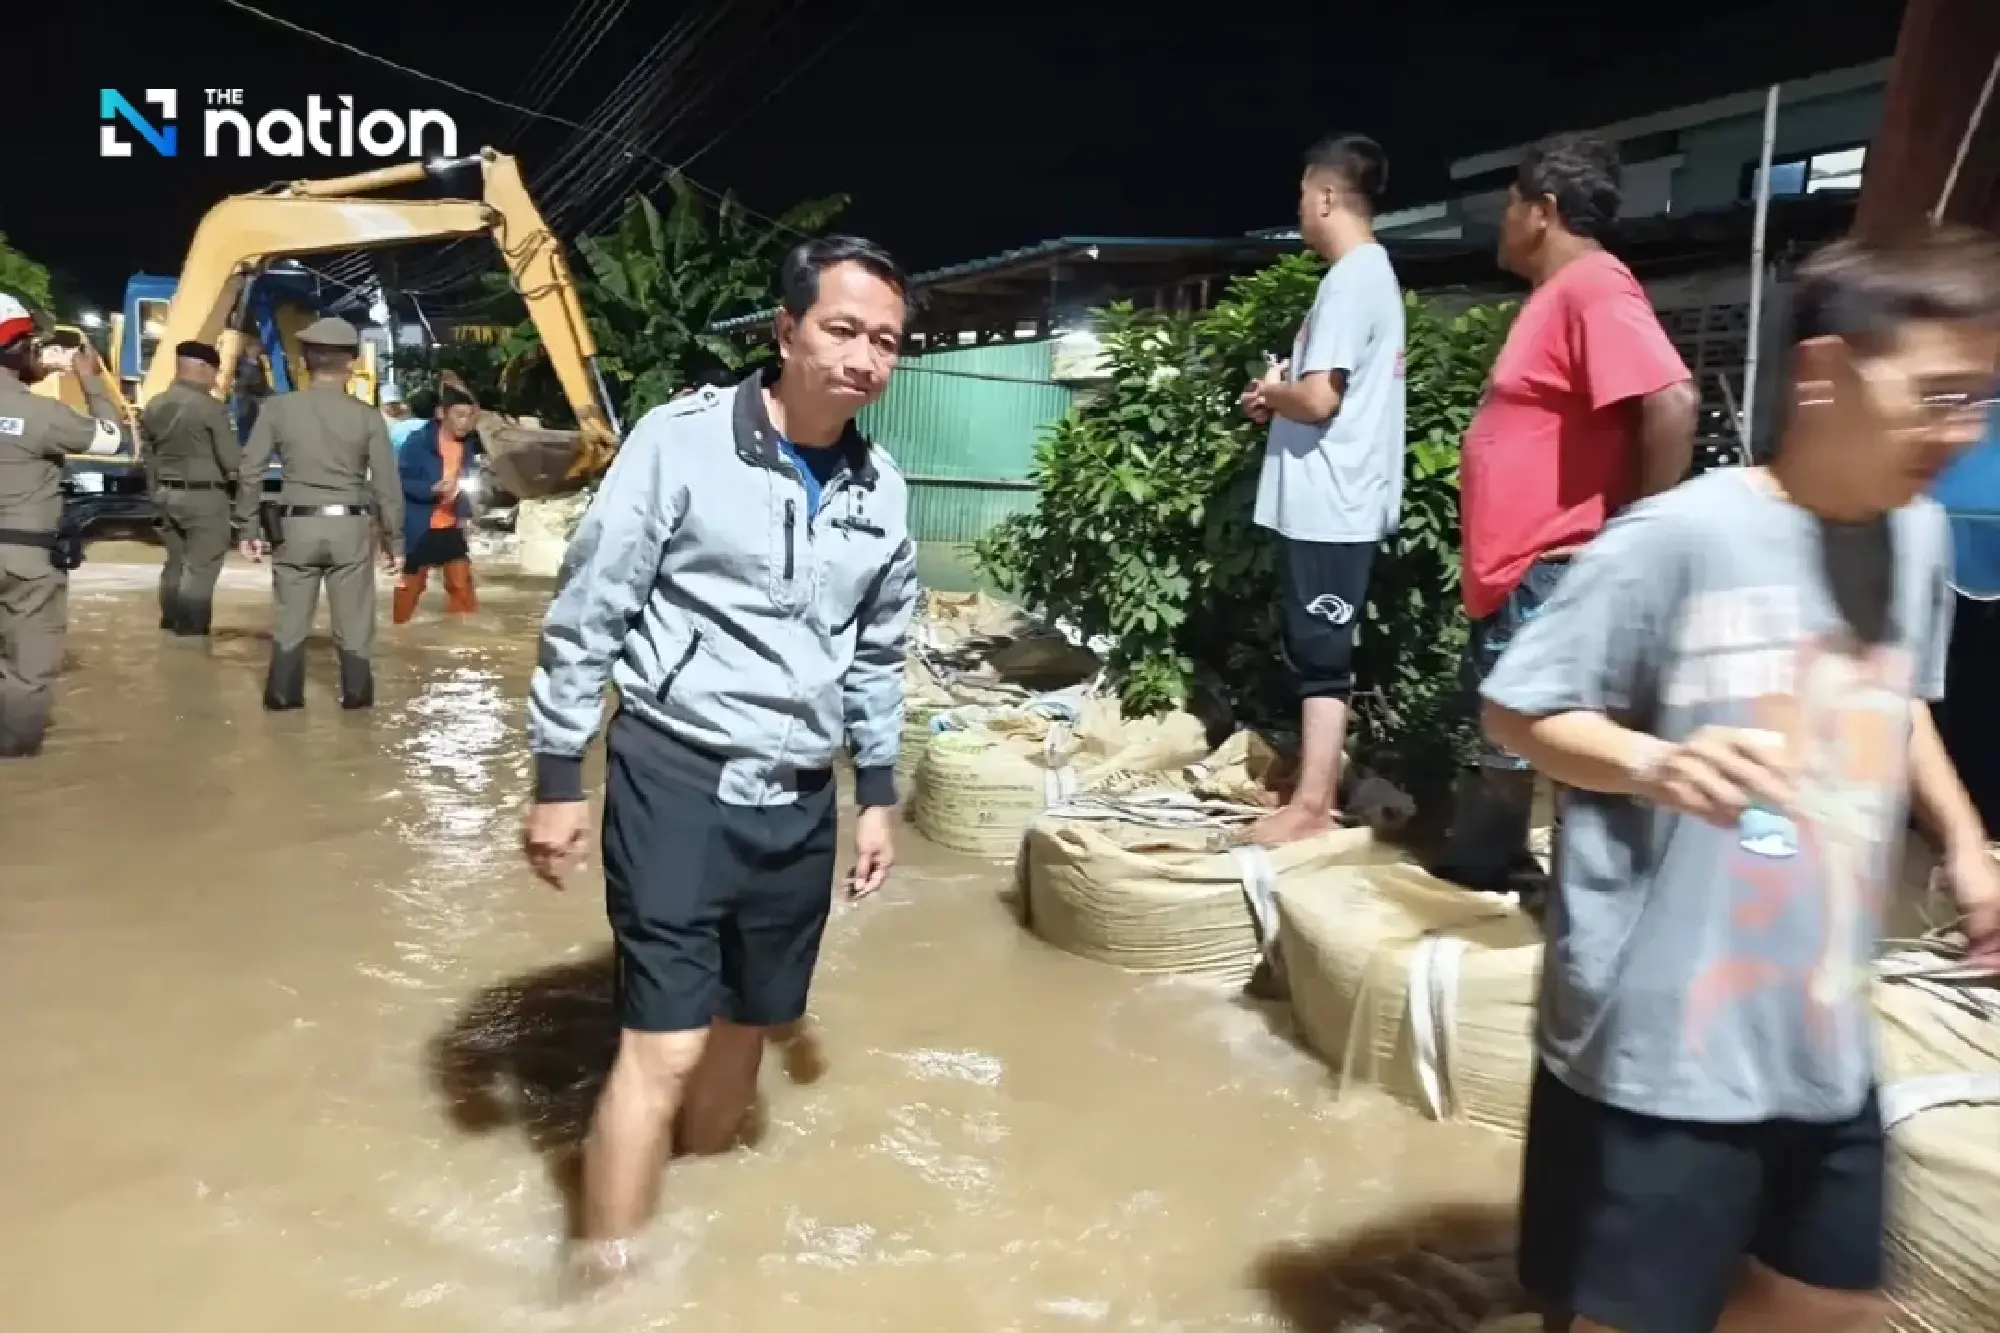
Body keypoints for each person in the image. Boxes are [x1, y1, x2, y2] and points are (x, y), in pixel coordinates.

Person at [1479, 227, 2000, 1333]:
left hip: (1820, 1021)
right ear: (1821, 374)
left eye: (1979, 400)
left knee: (1824, 1304)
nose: (1958, 431)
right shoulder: (1673, 540)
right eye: (1936, 394)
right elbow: (1515, 708)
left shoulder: (1915, 539)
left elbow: (1892, 697)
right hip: (1662, 1035)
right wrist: (1654, 762)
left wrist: (1959, 839)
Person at [520, 235, 919, 1293]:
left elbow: (878, 653)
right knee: (664, 1042)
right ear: (785, 331)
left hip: (799, 800)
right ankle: (603, 1284)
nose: (863, 357)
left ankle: (696, 1231)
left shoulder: (883, 489)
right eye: (840, 328)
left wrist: (875, 796)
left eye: (884, 341)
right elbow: (589, 608)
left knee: (748, 1029)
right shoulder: (681, 441)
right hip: (677, 777)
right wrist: (559, 773)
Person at [1434, 132, 1698, 893]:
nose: (1503, 221)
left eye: (1511, 204)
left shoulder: (1594, 286)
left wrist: (1640, 539)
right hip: (1518, 569)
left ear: (1543, 210)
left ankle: (1515, 887)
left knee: (1534, 734)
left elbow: (1671, 400)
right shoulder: (1557, 298)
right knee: (1507, 731)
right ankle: (1496, 874)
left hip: (1550, 564)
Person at [1239, 132, 1407, 844]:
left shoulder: (1351, 279)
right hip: (1329, 499)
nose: (1302, 209)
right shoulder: (1367, 277)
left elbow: (1319, 399)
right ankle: (1313, 795)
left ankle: (1312, 806)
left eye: (1305, 196)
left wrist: (1277, 392)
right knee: (1316, 647)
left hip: (1333, 504)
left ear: (1329, 195)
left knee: (1322, 654)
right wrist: (1277, 396)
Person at [232, 316, 402, 710]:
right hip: (350, 528)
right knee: (355, 625)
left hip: (295, 527)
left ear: (306, 359)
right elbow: (386, 487)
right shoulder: (367, 416)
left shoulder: (277, 409)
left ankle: (282, 699)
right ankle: (357, 704)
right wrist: (395, 541)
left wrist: (247, 529)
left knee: (290, 622)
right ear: (352, 362)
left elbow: (250, 470)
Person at [0, 295, 123, 756]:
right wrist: (89, 382)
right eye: (32, 344)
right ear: (14, 351)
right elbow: (113, 440)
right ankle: (17, 775)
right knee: (28, 672)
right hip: (26, 562)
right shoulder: (41, 415)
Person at [141, 340, 241, 637]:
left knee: (174, 564)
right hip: (204, 498)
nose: (216, 378)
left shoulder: (154, 404)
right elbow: (231, 460)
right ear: (202, 367)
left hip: (165, 494)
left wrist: (156, 496)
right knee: (200, 569)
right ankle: (192, 636)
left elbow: (149, 458)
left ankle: (169, 626)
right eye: (215, 371)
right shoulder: (210, 408)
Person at [392, 383, 480, 624]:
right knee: (409, 591)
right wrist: (430, 490)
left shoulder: (468, 445)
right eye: (459, 415)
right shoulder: (417, 443)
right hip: (420, 527)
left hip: (451, 527)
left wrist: (466, 512)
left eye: (470, 416)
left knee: (462, 589)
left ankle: (463, 640)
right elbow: (399, 481)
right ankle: (400, 638)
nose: (465, 422)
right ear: (441, 414)